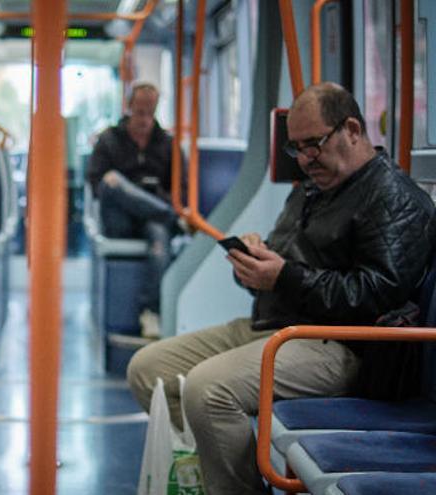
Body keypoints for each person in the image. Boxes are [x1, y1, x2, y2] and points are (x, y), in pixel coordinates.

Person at [126, 82, 436, 495]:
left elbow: (378, 293)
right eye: (297, 148)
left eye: (315, 144)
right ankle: (218, 476)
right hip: (281, 323)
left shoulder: (394, 199)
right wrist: (255, 264)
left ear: (353, 130)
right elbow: (285, 264)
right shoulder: (313, 189)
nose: (305, 159)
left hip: (342, 345)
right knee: (149, 370)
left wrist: (284, 276)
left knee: (208, 390)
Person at [86, 82, 182, 334]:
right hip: (119, 217)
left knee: (160, 242)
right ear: (129, 108)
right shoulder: (109, 139)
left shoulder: (167, 144)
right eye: (139, 112)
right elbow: (96, 184)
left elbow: (179, 187)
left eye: (150, 113)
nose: (144, 120)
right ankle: (171, 217)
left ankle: (150, 312)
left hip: (152, 219)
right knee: (113, 180)